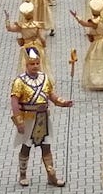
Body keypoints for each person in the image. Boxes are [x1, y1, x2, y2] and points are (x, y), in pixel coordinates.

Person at [10, 49, 74, 187]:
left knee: (46, 147)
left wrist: (63, 102)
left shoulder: (44, 78)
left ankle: (52, 176)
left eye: (37, 63)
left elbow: (52, 95)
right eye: (32, 63)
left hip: (43, 118)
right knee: (26, 147)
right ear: (26, 65)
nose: (35, 66)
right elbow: (14, 102)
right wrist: (18, 121)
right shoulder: (19, 81)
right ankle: (22, 174)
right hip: (28, 118)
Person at [70, 0, 103, 91]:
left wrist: (76, 16)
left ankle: (99, 80)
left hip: (97, 43)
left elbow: (84, 24)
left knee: (97, 61)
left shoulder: (95, 22)